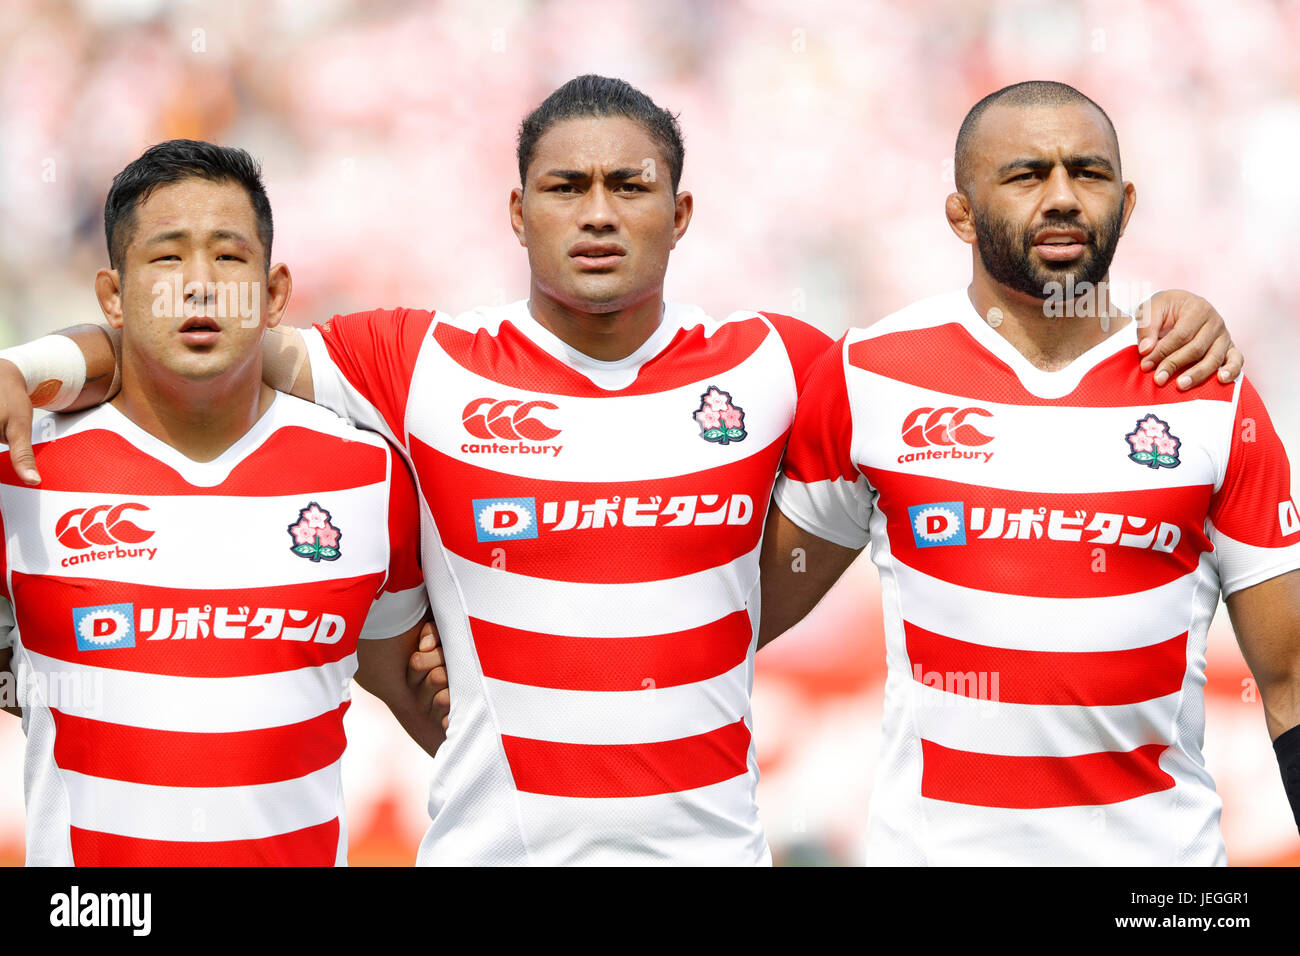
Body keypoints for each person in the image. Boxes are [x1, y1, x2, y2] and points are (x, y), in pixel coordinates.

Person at [0, 76, 1245, 865]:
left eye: (628, 185)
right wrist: (40, 361)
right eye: (566, 186)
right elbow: (187, 334)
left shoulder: (779, 366)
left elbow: (1001, 343)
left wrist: (1139, 311)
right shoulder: (417, 362)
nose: (597, 211)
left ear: (681, 212)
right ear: (516, 210)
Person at [759, 80, 1300, 865]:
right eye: (1025, 175)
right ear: (961, 214)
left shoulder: (1210, 393)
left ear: (1128, 200)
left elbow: (1288, 679)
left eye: (1088, 172)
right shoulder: (870, 376)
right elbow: (731, 619)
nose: (1062, 197)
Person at [0, 141, 445, 866]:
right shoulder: (21, 471)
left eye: (230, 259)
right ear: (113, 295)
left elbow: (421, 696)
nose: (199, 286)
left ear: (274, 293)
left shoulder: (370, 477)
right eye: (168, 259)